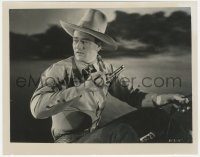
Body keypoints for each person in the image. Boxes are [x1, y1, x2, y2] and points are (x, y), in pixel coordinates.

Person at [30, 9, 190, 143]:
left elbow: (134, 97)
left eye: (85, 41)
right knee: (121, 132)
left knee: (157, 116)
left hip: (94, 136)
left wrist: (164, 99)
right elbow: (37, 110)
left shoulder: (105, 68)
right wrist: (84, 87)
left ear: (99, 45)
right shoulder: (59, 70)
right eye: (75, 40)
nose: (78, 46)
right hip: (68, 143)